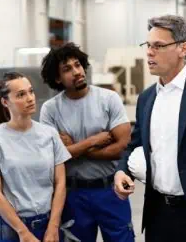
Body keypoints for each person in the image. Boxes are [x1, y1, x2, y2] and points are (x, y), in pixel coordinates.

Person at [114, 15, 186, 242]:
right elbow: (135, 144)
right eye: (148, 45)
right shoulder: (147, 98)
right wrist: (122, 170)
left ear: (183, 48)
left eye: (159, 46)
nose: (149, 52)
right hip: (159, 215)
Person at [40, 42, 133, 242]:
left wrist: (75, 148)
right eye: (67, 69)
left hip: (111, 191)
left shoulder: (109, 99)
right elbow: (53, 156)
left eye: (77, 65)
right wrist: (94, 140)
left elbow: (122, 146)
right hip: (74, 195)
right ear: (57, 78)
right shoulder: (50, 110)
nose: (76, 72)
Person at [0, 72, 71, 242]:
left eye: (31, 91)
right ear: (5, 102)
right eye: (21, 94)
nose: (30, 98)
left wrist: (53, 226)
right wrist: (23, 232)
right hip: (12, 227)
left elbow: (61, 182)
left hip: (48, 222)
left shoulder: (49, 134)